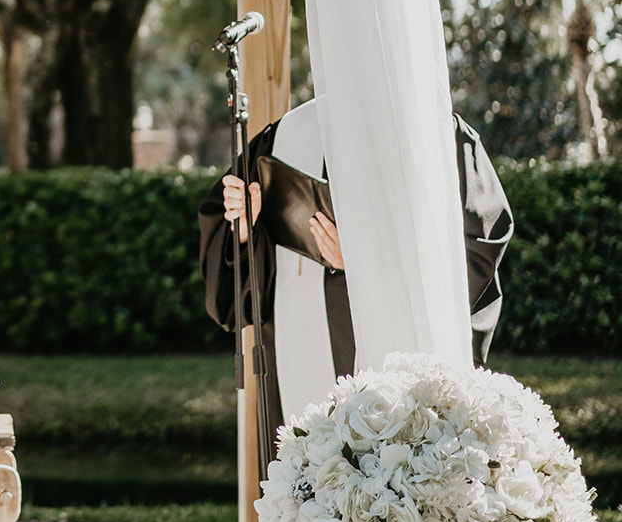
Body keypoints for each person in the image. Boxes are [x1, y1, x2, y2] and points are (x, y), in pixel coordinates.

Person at [198, 98, 514, 436]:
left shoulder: (434, 130)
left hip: (393, 372)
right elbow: (231, 292)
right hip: (296, 366)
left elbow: (476, 248)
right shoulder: (284, 137)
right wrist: (244, 230)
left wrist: (366, 266)